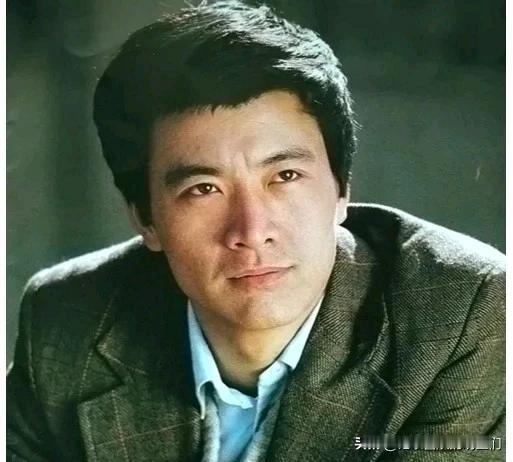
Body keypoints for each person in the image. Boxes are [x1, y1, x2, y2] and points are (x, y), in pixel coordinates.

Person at [7, 2, 505, 461]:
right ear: (145, 218)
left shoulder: (462, 311)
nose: (252, 230)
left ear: (341, 190)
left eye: (285, 176)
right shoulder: (68, 318)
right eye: (203, 188)